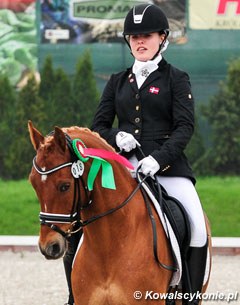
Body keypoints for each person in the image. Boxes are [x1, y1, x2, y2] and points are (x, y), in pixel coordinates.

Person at [91, 3, 208, 305]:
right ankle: (74, 292)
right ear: (128, 42)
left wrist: (158, 158)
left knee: (196, 227)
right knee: (84, 220)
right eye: (134, 37)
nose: (140, 41)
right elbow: (98, 127)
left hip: (167, 169)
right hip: (121, 168)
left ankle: (189, 296)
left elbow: (185, 127)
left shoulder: (176, 78)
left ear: (162, 38)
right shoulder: (117, 81)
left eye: (147, 35)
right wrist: (116, 136)